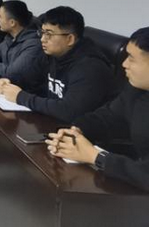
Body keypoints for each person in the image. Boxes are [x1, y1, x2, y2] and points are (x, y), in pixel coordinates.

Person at [46, 27, 149, 192]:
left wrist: (96, 157)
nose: (124, 64)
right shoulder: (136, 89)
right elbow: (109, 116)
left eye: (131, 58)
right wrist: (77, 130)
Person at [0, 6, 113, 123]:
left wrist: (21, 97)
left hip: (76, 129)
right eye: (42, 33)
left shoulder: (91, 68)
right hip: (50, 122)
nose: (42, 39)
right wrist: (9, 82)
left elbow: (70, 111)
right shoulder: (52, 54)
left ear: (70, 39)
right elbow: (30, 77)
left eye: (49, 34)